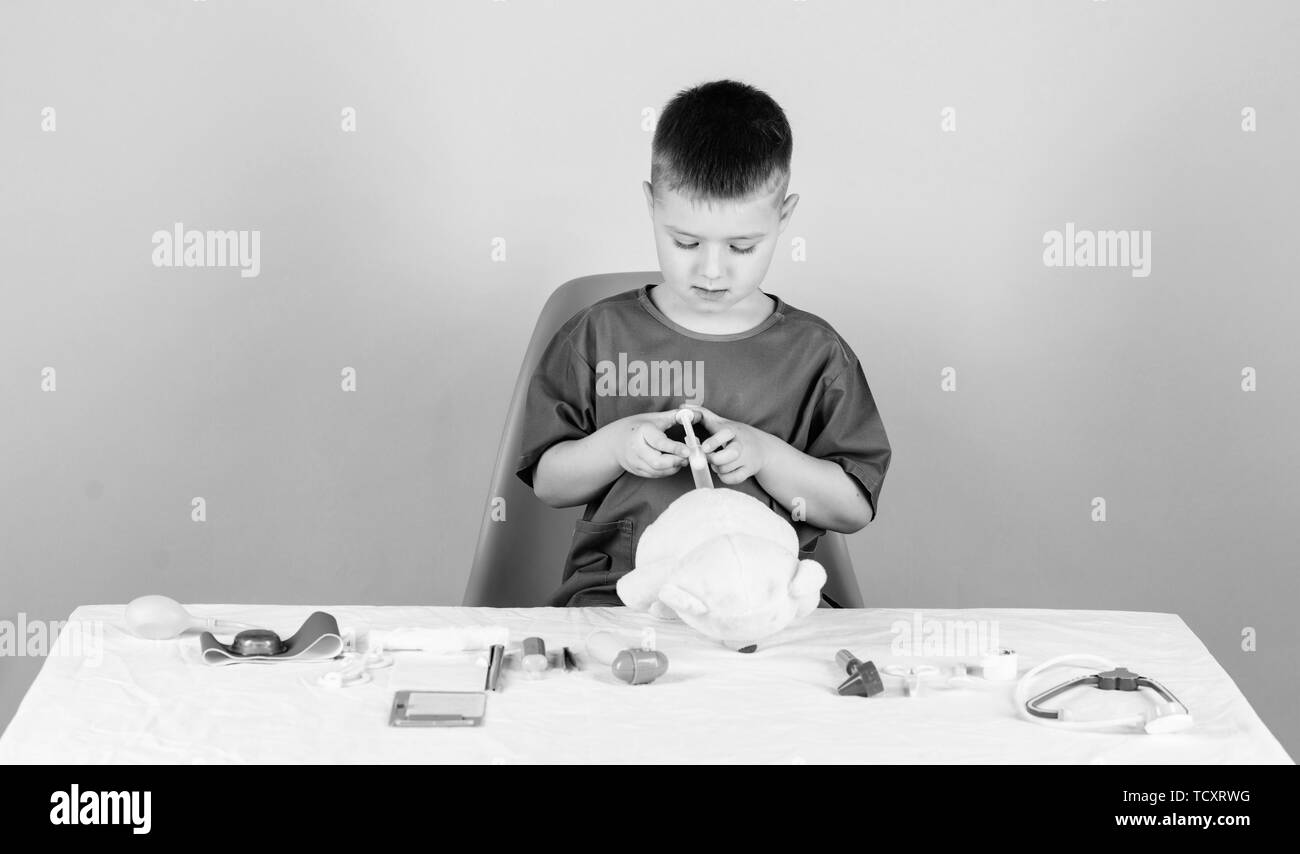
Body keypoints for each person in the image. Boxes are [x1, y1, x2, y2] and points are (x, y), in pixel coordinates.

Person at [516, 79, 891, 607]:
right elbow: (550, 485)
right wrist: (617, 444)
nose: (711, 271)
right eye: (686, 241)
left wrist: (764, 454)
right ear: (651, 204)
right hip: (621, 599)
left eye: (742, 246)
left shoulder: (816, 355)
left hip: (765, 607)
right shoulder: (598, 336)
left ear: (783, 218)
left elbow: (852, 510)